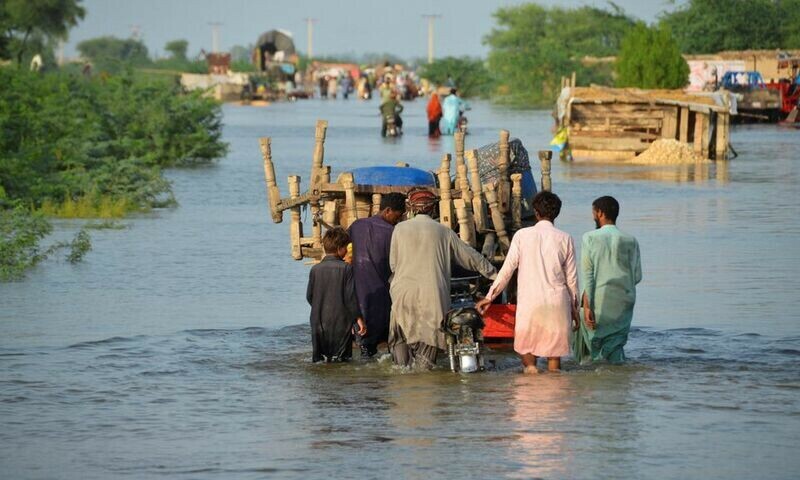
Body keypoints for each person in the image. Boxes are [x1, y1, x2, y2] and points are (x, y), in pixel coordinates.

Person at [388, 189, 497, 369]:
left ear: (412, 209)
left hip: (402, 293)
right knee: (428, 344)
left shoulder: (399, 229)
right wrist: (495, 274)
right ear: (433, 210)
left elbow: (393, 264)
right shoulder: (443, 231)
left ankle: (402, 375)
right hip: (433, 295)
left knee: (401, 338)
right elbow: (471, 257)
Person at [476, 192, 579, 373]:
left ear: (535, 212)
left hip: (530, 302)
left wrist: (490, 297)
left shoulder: (522, 235)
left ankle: (531, 375)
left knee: (527, 350)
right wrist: (575, 311)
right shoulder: (565, 238)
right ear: (557, 213)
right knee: (554, 359)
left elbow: (507, 270)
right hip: (557, 302)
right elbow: (572, 280)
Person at [574, 196, 642, 364]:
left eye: (593, 212)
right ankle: (619, 385)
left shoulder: (589, 238)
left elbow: (588, 275)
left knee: (595, 347)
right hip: (625, 300)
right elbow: (638, 276)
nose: (593, 217)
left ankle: (599, 383)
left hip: (599, 300)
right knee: (616, 347)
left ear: (600, 213)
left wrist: (587, 305)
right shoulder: (631, 240)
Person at [348, 193, 407, 358]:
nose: (399, 219)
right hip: (381, 293)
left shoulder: (357, 225)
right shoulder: (393, 233)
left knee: (365, 344)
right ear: (388, 211)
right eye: (398, 215)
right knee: (385, 340)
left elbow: (344, 247)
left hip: (358, 293)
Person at [306, 228, 367, 362]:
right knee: (342, 361)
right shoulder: (346, 268)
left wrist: (320, 308)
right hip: (341, 323)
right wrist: (358, 319)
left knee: (320, 361)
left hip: (318, 322)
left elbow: (309, 296)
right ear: (339, 248)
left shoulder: (315, 269)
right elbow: (350, 297)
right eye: (345, 247)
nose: (346, 251)